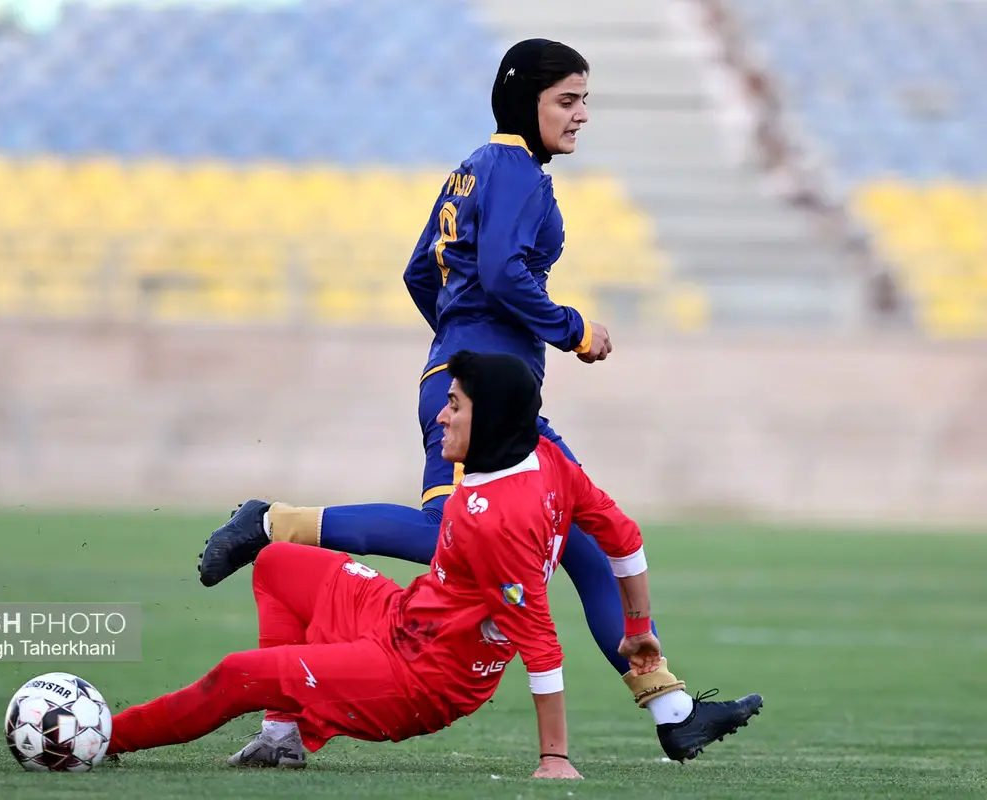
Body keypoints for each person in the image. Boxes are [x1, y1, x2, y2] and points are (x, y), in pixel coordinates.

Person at [198, 39, 762, 762]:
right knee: (446, 533)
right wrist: (570, 329)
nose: (583, 114)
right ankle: (273, 521)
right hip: (483, 392)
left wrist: (461, 345)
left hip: (495, 391)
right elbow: (499, 273)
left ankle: (670, 707)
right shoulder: (519, 174)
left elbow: (418, 274)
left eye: (586, 98)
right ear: (524, 100)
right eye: (567, 99)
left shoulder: (474, 168)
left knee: (585, 540)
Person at [115, 352, 736, 777]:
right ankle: (284, 736)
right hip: (403, 616)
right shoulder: (546, 456)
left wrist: (554, 756)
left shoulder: (494, 514)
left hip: (418, 676)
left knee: (237, 674)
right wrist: (638, 626)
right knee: (277, 562)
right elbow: (624, 538)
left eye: (455, 405)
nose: (441, 415)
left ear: (487, 419)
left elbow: (540, 640)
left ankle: (104, 737)